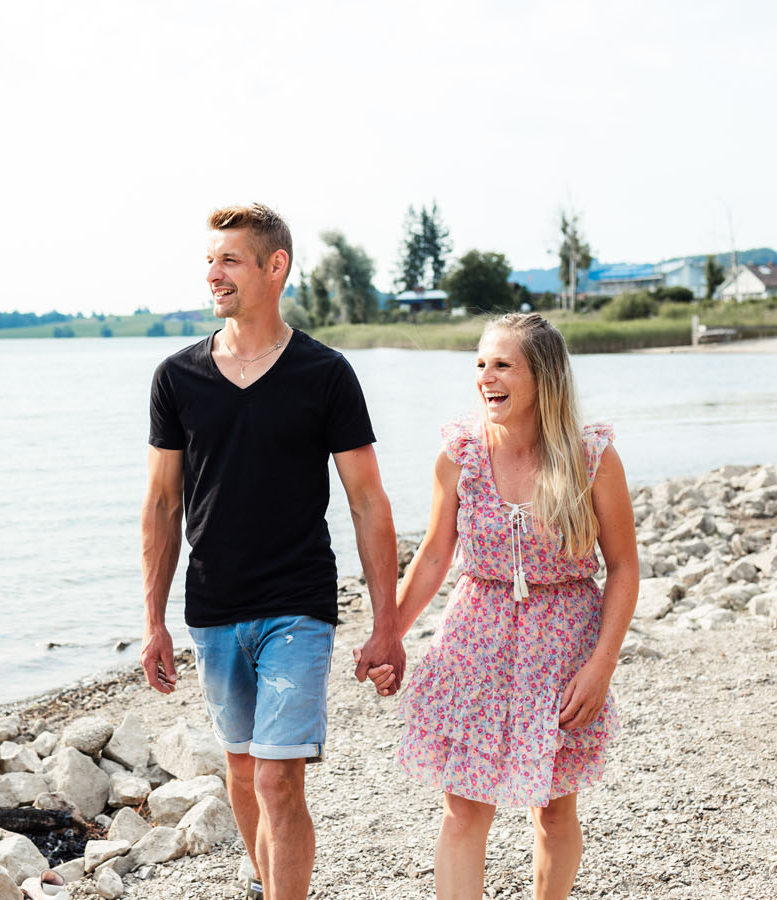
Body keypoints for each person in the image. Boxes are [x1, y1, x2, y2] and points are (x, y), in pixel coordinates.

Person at [140, 203, 405, 900]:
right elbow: (163, 504)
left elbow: (369, 501)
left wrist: (387, 625)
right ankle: (267, 885)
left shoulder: (325, 374)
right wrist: (153, 621)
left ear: (275, 266)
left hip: (298, 605)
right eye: (209, 259)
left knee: (275, 775)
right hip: (213, 605)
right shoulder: (177, 377)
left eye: (228, 259)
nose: (212, 273)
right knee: (241, 771)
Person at [362, 313, 638, 900]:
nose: (486, 377)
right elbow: (435, 557)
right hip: (474, 644)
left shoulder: (592, 459)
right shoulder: (458, 456)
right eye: (481, 364)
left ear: (543, 376)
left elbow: (624, 567)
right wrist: (389, 634)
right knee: (463, 810)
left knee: (554, 811)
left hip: (563, 648)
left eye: (503, 364)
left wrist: (601, 665)